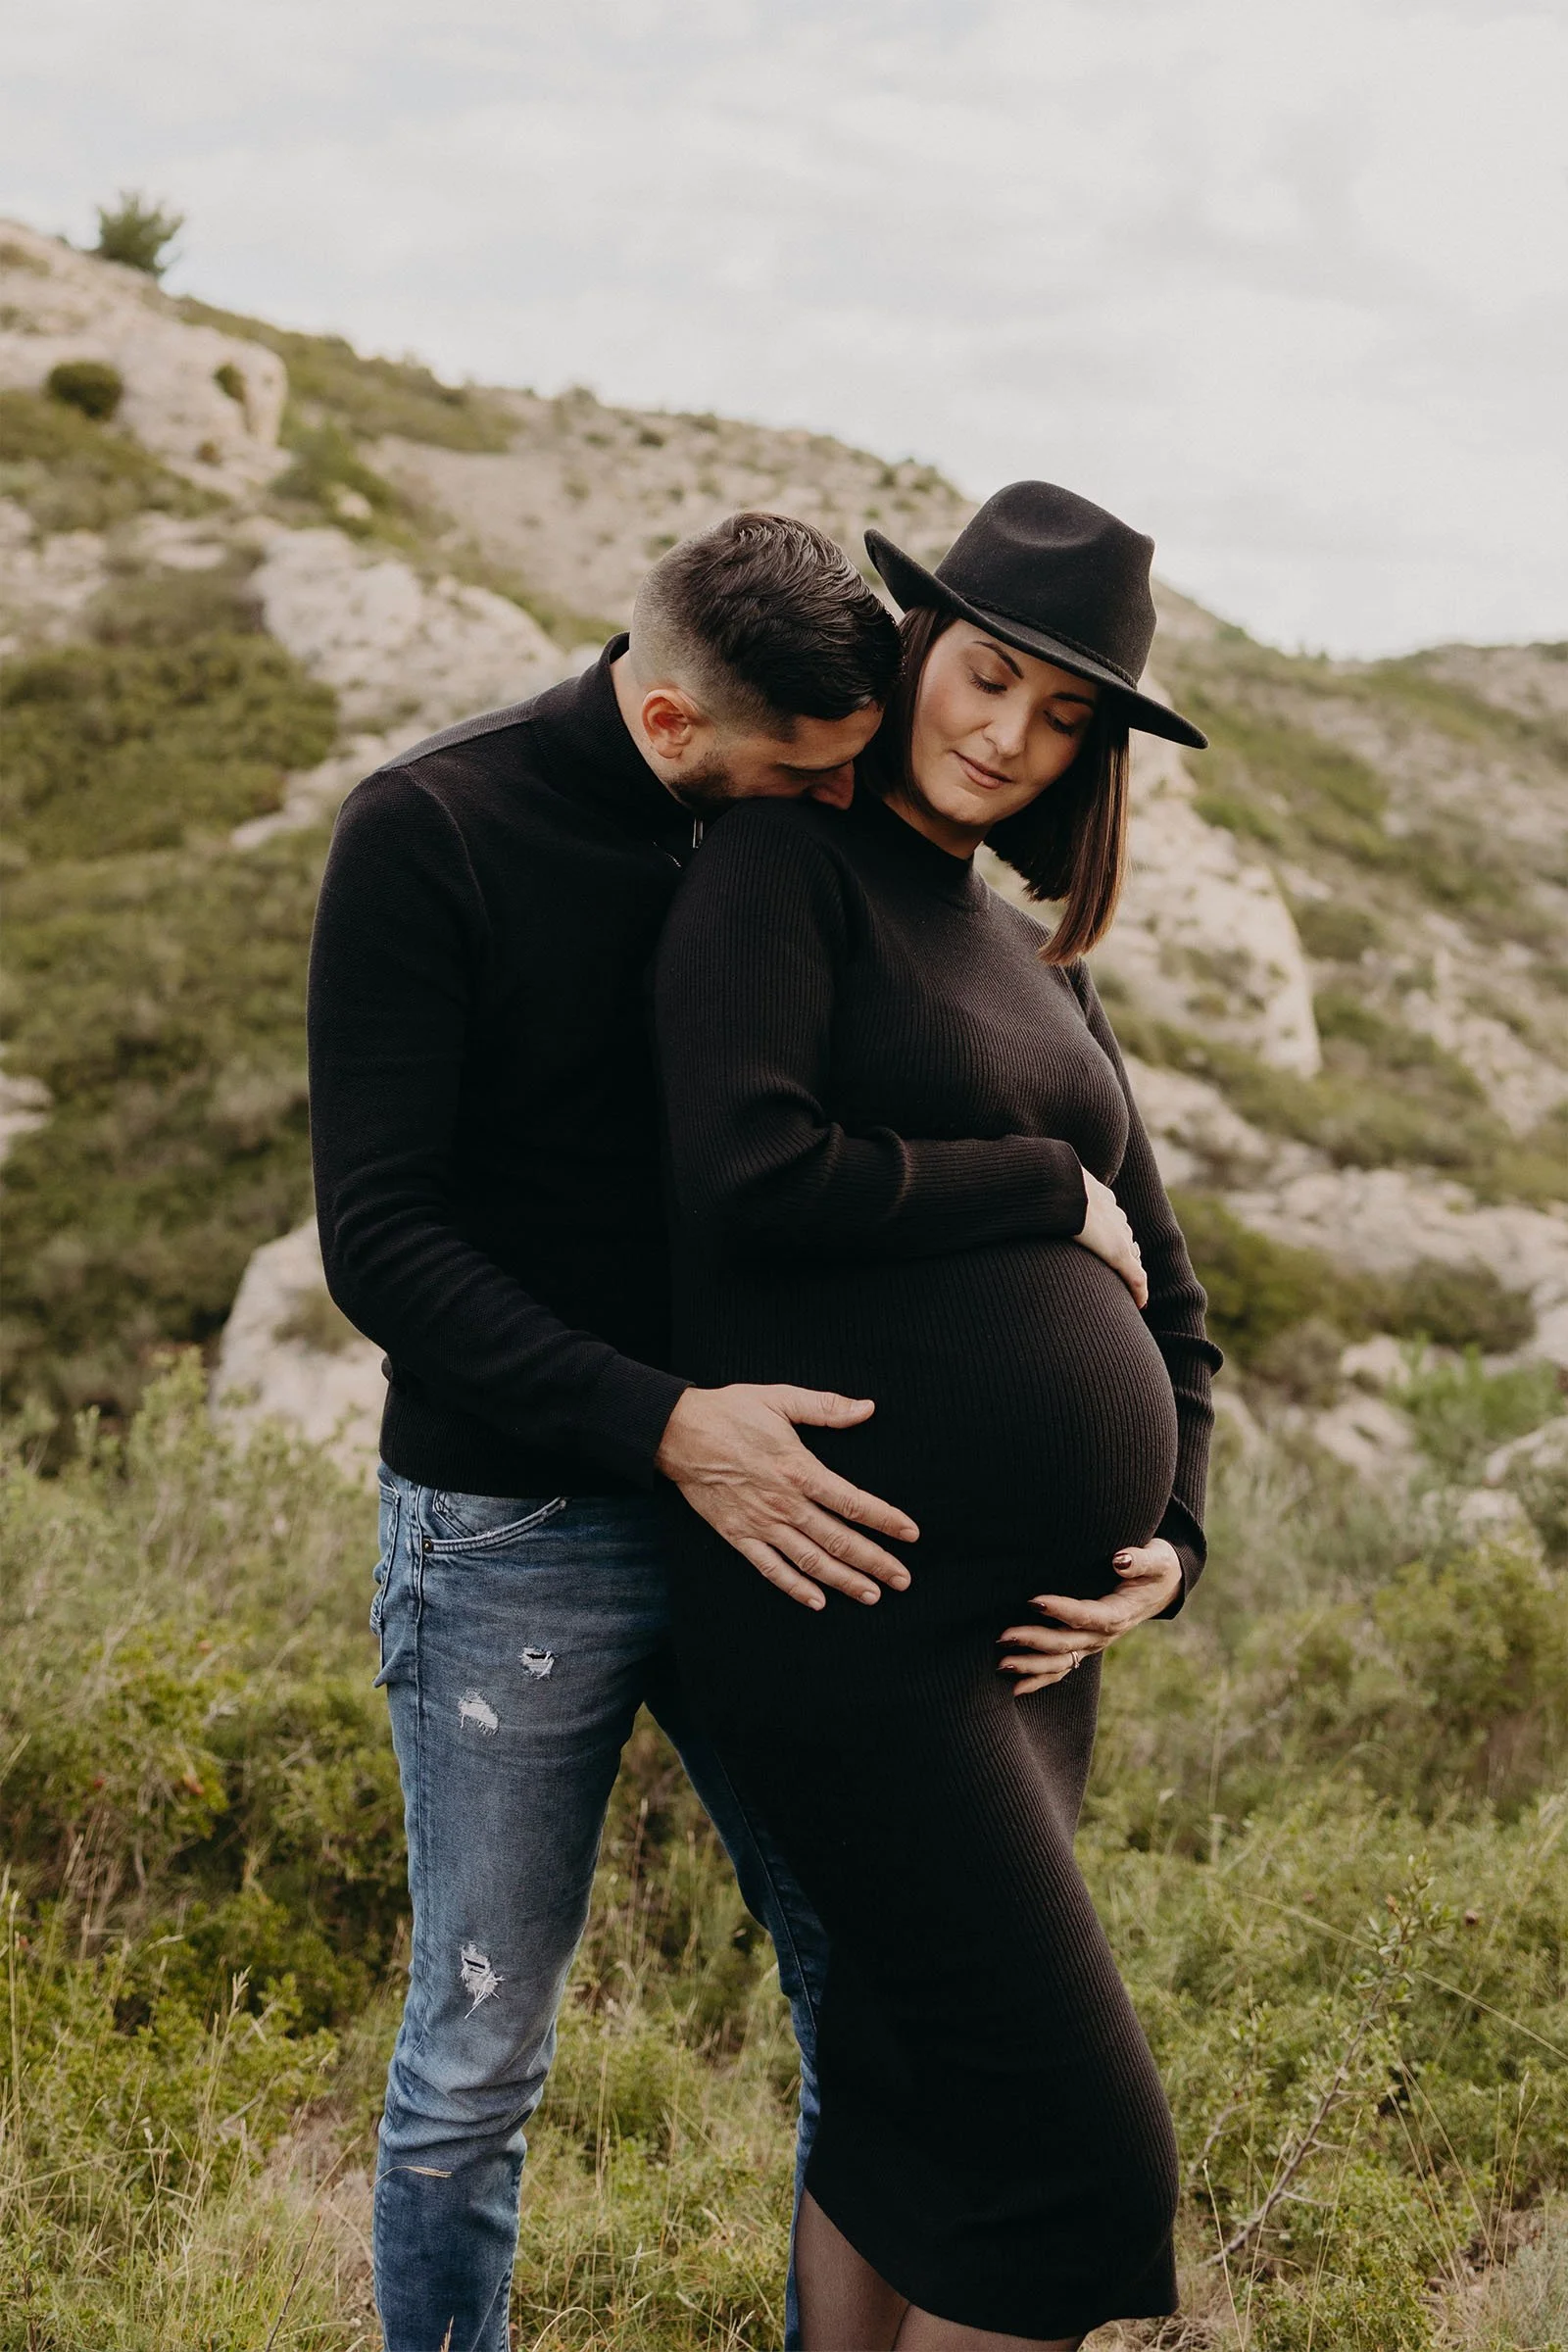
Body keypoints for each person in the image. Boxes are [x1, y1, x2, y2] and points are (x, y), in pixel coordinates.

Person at [307, 513, 919, 2352]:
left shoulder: (814, 832)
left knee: (871, 1997)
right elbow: (384, 1243)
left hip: (780, 1515)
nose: (838, 807)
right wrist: (666, 1427)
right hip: (511, 1533)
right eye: (804, 775)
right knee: (478, 2051)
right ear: (671, 727)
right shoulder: (430, 835)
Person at [654, 481, 1223, 2351]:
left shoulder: (1040, 967)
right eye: (992, 676)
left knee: (916, 2088)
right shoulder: (779, 871)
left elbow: (1177, 1308)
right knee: (1081, 2159)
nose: (1008, 734)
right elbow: (746, 1175)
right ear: (919, 648)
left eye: (1065, 720)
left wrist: (1173, 1546)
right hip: (853, 1609)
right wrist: (1029, 1193)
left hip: (1031, 1654)